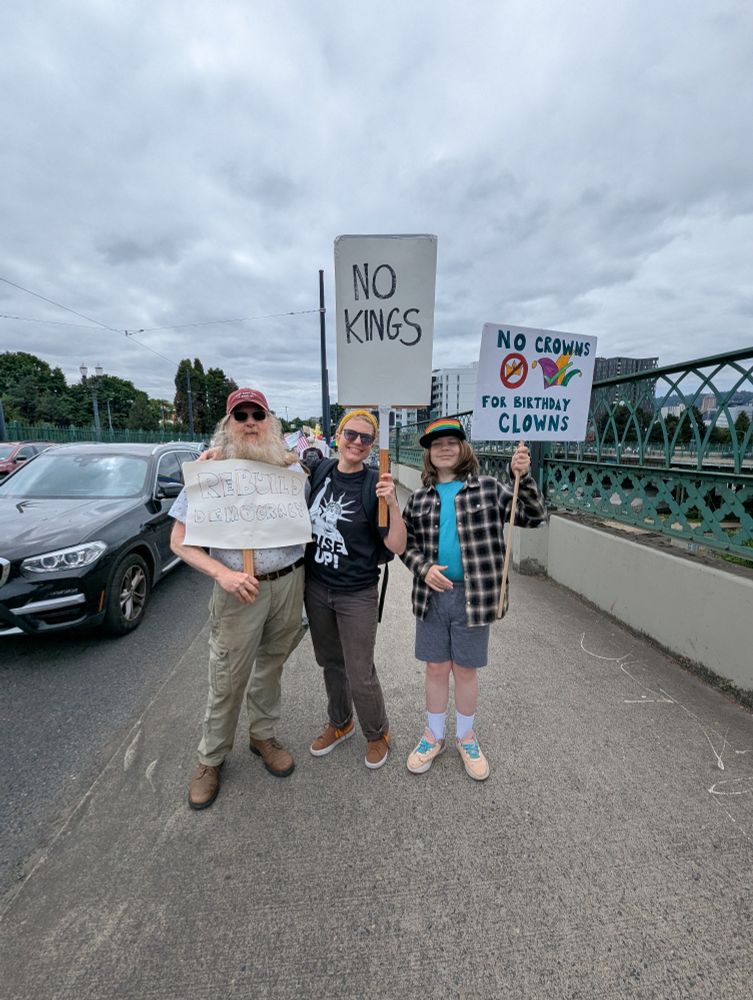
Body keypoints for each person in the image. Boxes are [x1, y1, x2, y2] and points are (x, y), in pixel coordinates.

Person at [170, 388, 306, 809]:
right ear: (227, 425)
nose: (249, 421)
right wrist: (223, 575)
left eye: (257, 414)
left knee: (271, 666)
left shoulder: (288, 468)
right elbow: (179, 541)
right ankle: (210, 759)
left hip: (287, 583)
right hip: (237, 589)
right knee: (227, 677)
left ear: (270, 422)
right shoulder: (210, 473)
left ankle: (262, 736)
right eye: (240, 415)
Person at [400, 417, 547, 781]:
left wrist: (522, 477)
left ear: (463, 448)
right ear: (429, 455)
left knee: (465, 670)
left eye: (451, 441)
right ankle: (434, 735)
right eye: (436, 444)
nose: (444, 448)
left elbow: (534, 515)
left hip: (474, 596)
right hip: (432, 596)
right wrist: (423, 568)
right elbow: (405, 545)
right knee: (435, 668)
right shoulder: (419, 499)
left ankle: (466, 735)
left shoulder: (488, 488)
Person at [305, 409, 406, 769]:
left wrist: (393, 504)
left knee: (360, 671)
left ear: (372, 445)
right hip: (317, 588)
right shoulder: (320, 472)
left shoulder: (376, 485)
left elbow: (396, 545)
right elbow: (274, 466)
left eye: (366, 438)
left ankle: (377, 733)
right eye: (352, 434)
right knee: (330, 663)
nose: (358, 443)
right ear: (337, 435)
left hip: (357, 593)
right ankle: (340, 722)